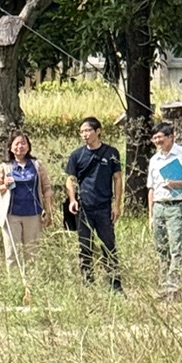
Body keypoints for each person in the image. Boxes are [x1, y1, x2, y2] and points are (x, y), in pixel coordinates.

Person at [65, 115, 123, 290]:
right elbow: (70, 179)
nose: (85, 134)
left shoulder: (111, 153)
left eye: (88, 130)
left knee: (108, 245)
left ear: (98, 131)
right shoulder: (77, 155)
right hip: (84, 208)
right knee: (85, 246)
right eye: (82, 131)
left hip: (104, 207)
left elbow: (117, 178)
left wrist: (117, 205)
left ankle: (115, 284)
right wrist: (72, 199)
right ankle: (88, 283)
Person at [146, 118, 182, 296]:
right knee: (161, 246)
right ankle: (164, 283)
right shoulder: (154, 160)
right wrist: (151, 215)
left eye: (160, 137)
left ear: (171, 137)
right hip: (159, 206)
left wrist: (177, 184)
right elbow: (151, 188)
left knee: (177, 246)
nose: (157, 141)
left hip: (178, 205)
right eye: (154, 138)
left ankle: (174, 286)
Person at [0, 131, 46, 290]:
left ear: (28, 146)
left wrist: (48, 210)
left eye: (23, 143)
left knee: (32, 252)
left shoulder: (37, 165)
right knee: (12, 252)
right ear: (10, 147)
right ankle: (14, 286)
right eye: (16, 144)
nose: (20, 147)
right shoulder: (5, 166)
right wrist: (4, 185)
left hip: (33, 214)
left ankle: (31, 286)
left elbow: (47, 188)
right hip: (11, 215)